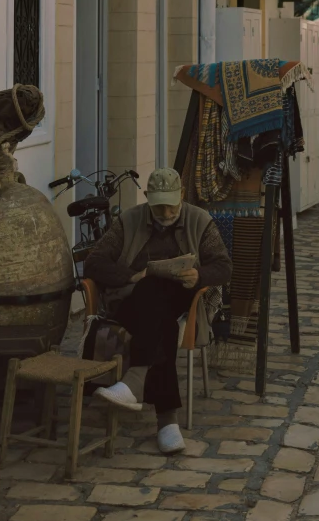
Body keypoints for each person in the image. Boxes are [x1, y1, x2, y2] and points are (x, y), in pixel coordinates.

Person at [84, 168, 232, 454]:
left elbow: (224, 267)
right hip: (133, 302)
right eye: (159, 205)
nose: (165, 211)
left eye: (171, 204)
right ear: (147, 197)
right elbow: (94, 263)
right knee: (158, 311)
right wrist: (131, 277)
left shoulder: (199, 221)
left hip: (180, 301)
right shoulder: (129, 220)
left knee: (159, 299)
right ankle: (167, 422)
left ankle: (134, 382)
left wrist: (198, 276)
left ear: (181, 196)